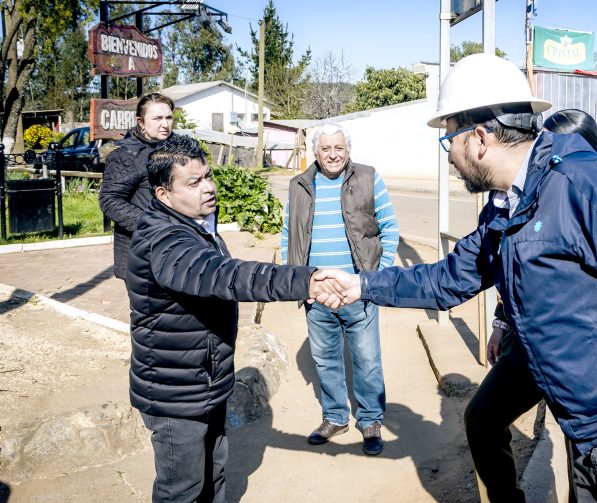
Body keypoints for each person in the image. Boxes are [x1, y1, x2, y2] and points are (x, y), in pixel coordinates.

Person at [316, 54, 597, 502]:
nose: (450, 158)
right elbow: (447, 279)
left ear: (478, 138)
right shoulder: (509, 205)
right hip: (591, 429)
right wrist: (362, 284)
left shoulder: (581, 183)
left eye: (448, 141)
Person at [127, 134, 341, 502]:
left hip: (203, 380)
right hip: (175, 394)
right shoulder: (165, 241)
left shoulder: (194, 225)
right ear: (164, 195)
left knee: (214, 474)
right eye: (193, 183)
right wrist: (305, 280)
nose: (208, 188)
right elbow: (227, 276)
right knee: (182, 489)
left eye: (207, 176)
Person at [471, 109, 597, 502]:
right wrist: (502, 324)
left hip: (585, 358)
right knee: (482, 417)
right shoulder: (521, 194)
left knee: (584, 456)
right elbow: (515, 271)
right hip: (530, 345)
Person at [280, 123, 399, 456]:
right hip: (316, 292)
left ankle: (371, 420)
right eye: (326, 149)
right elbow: (289, 235)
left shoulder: (368, 177)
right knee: (325, 359)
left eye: (339, 149)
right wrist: (297, 282)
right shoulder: (298, 185)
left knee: (367, 360)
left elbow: (390, 230)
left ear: (348, 150)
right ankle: (334, 417)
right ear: (315, 152)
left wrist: (374, 279)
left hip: (358, 290)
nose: (333, 155)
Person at [100, 92, 175, 281]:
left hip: (177, 248)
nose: (165, 124)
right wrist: (151, 224)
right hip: (142, 251)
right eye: (157, 118)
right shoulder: (125, 156)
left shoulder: (179, 151)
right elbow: (109, 200)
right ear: (140, 122)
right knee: (150, 310)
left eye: (168, 117)